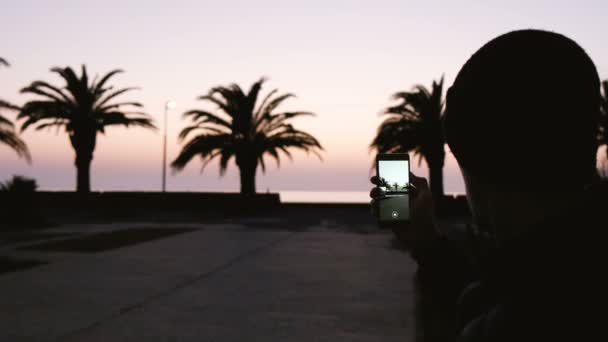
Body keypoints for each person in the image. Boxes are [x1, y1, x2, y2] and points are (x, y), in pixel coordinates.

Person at [370, 29, 606, 341]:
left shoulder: (521, 320)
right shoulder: (578, 265)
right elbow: (487, 296)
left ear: (477, 174)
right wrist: (426, 243)